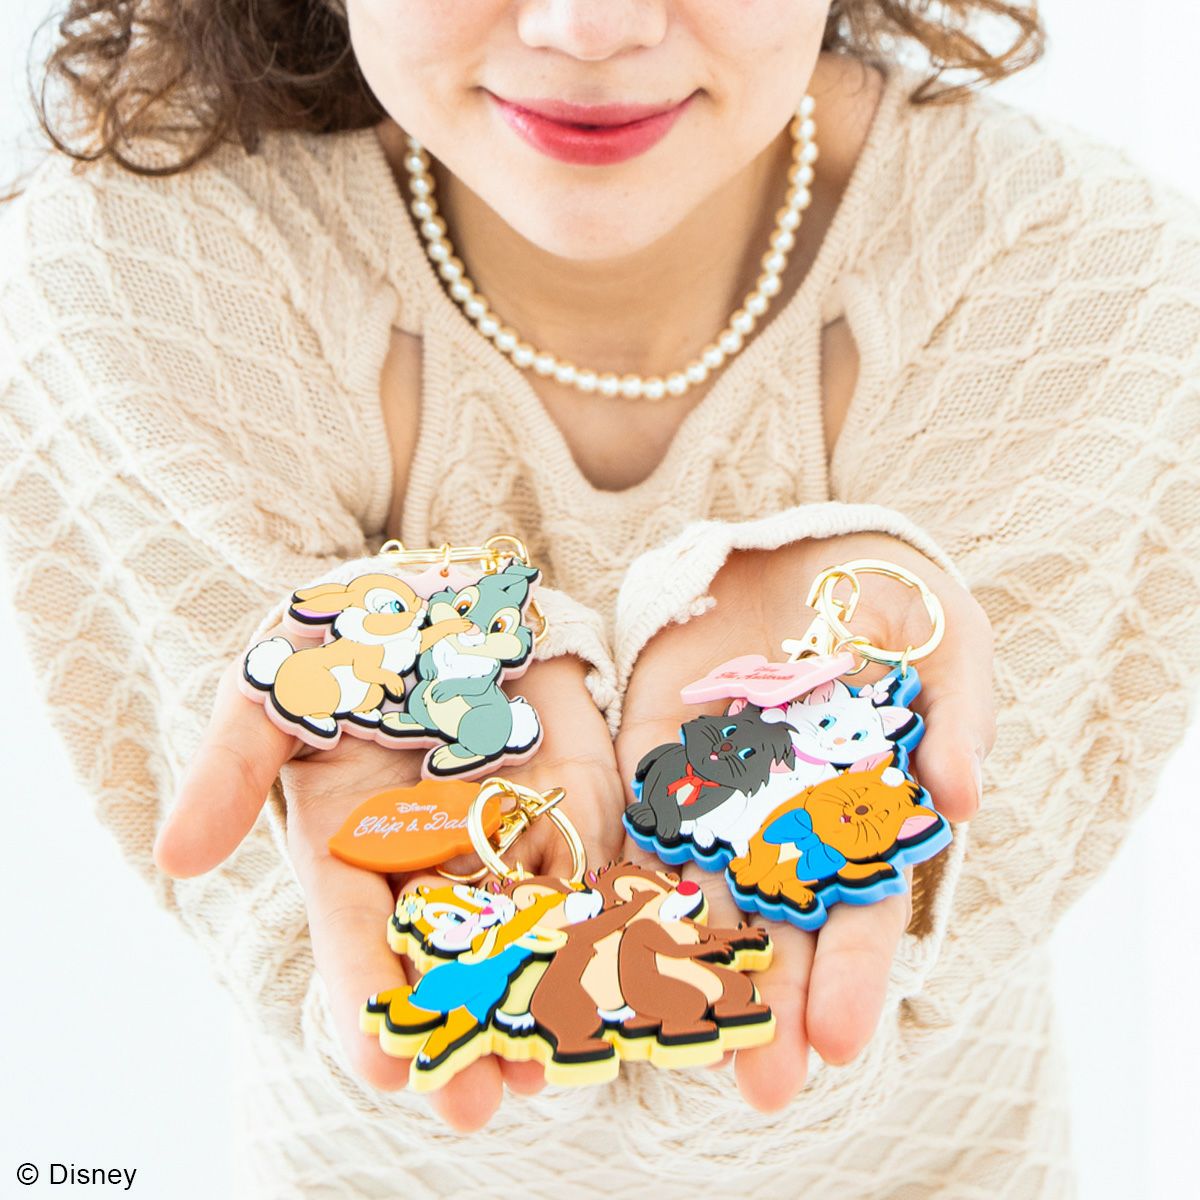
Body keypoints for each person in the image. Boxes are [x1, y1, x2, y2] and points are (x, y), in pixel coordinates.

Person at [1, 2, 1197, 1196]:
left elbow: (799, 1059)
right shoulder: (139, 261)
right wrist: (507, 655)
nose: (589, 29)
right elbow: (420, 1051)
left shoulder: (1080, 274)